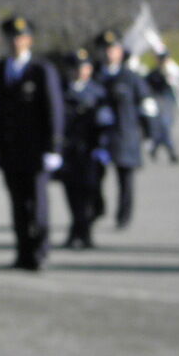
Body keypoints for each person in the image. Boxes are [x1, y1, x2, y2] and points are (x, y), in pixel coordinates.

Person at [0, 16, 63, 270]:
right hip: (9, 149)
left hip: (36, 149)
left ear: (29, 40)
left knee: (38, 203)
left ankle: (40, 251)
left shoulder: (41, 70)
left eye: (20, 37)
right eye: (11, 38)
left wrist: (54, 147)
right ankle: (23, 253)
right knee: (17, 203)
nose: (15, 42)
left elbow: (53, 110)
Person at [94, 30, 158, 230]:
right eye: (105, 49)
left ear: (120, 51)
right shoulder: (94, 75)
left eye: (113, 48)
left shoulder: (130, 77)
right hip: (97, 138)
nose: (109, 53)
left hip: (125, 136)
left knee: (125, 181)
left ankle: (123, 217)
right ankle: (97, 209)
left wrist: (150, 135)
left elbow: (147, 107)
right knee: (92, 179)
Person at [59, 48, 114, 249]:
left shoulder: (98, 92)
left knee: (94, 198)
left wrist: (104, 146)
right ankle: (81, 234)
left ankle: (79, 230)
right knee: (73, 195)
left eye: (85, 67)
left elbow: (106, 123)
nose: (81, 71)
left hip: (92, 152)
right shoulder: (60, 91)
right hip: (69, 152)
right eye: (76, 67)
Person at [145, 52, 179, 163]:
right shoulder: (154, 73)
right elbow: (146, 86)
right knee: (164, 127)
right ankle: (172, 152)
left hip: (168, 102)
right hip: (158, 102)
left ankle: (154, 148)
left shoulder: (171, 72)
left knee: (165, 128)